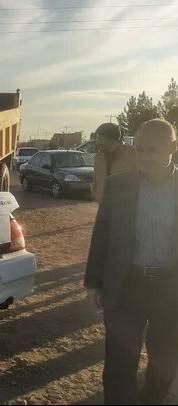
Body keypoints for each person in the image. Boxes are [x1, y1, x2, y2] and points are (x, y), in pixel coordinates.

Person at [85, 118, 178, 405]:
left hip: (170, 290)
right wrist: (94, 282)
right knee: (119, 364)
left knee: (164, 363)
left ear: (173, 147)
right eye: (139, 150)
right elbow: (102, 235)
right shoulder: (119, 186)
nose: (144, 157)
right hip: (127, 285)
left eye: (152, 150)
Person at [93, 122, 136, 202]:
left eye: (100, 138)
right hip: (104, 208)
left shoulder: (133, 154)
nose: (97, 142)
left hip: (127, 207)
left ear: (110, 139)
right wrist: (96, 194)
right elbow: (95, 181)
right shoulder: (99, 158)